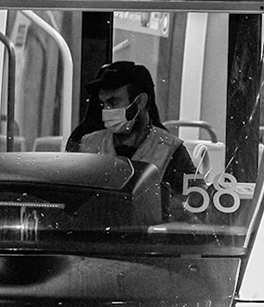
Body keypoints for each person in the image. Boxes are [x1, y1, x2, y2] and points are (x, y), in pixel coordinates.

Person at [70, 61, 200, 219]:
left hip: (149, 240)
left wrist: (165, 202)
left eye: (113, 102)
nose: (106, 111)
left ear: (140, 102)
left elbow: (197, 203)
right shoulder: (87, 145)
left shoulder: (171, 150)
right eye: (103, 104)